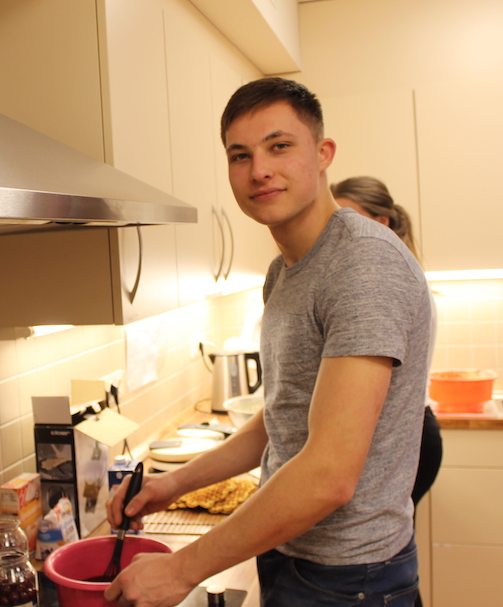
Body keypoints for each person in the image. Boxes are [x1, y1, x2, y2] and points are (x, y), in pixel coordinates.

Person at [104, 77, 433, 607]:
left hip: (350, 581)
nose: (259, 170)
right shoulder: (285, 272)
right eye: (240, 155)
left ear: (322, 154)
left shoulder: (363, 264)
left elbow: (328, 476)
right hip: (293, 555)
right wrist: (172, 485)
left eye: (279, 146)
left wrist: (181, 568)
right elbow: (281, 419)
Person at [330, 175, 442, 508]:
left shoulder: (386, 285)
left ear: (382, 222)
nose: (339, 232)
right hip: (406, 432)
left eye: (349, 218)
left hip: (406, 435)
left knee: (386, 546)